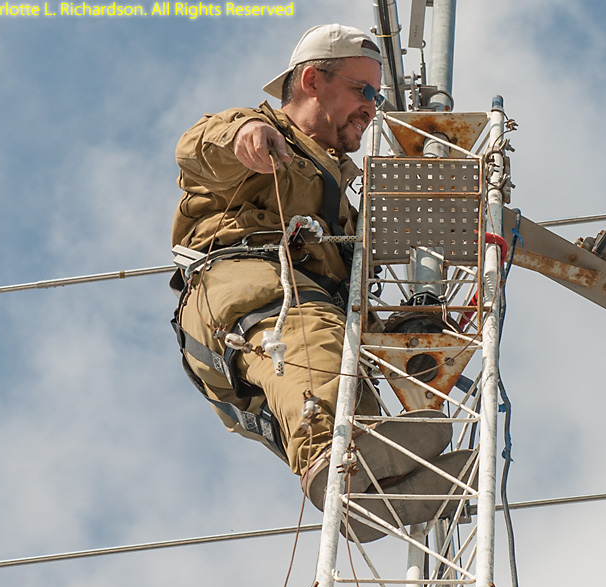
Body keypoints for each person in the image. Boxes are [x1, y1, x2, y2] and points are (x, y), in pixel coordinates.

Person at [170, 24, 473, 540]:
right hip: (252, 304)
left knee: (352, 390)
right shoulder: (265, 135)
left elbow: (341, 293)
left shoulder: (339, 197)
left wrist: (397, 330)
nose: (371, 108)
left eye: (376, 96)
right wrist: (244, 134)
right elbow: (198, 147)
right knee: (317, 347)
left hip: (279, 345)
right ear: (312, 80)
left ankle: (379, 480)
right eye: (363, 90)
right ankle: (334, 456)